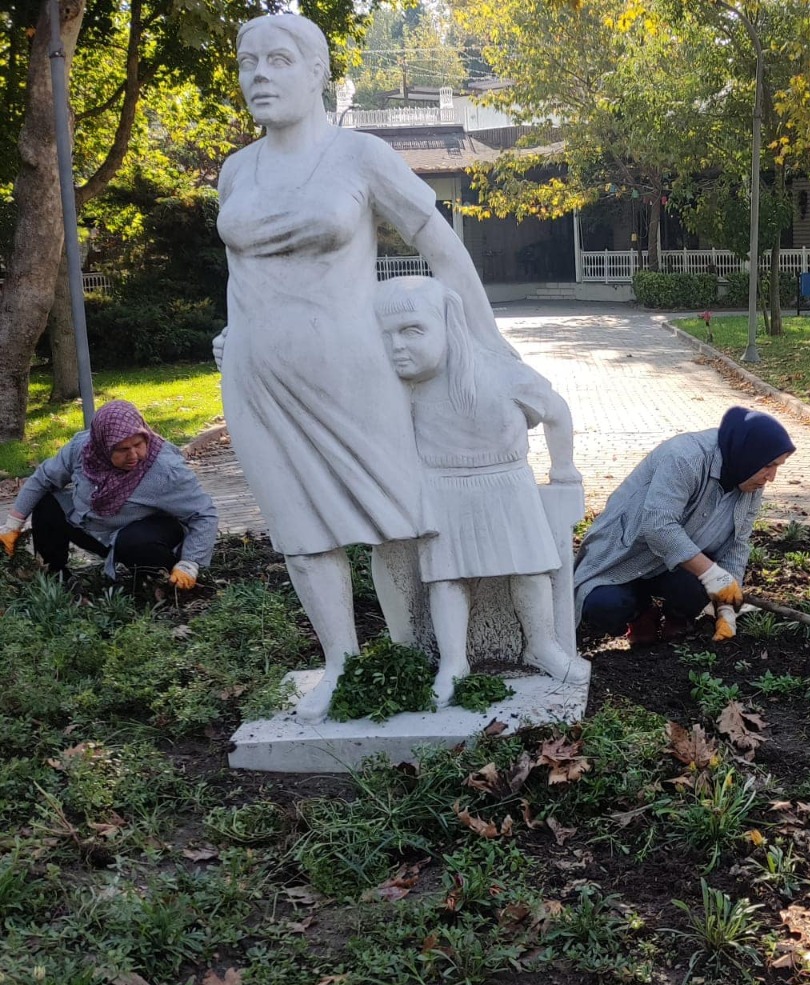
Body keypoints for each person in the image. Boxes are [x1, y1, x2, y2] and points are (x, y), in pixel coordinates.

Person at [215, 12, 513, 719]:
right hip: (257, 375)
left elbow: (440, 244)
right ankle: (342, 665)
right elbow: (236, 269)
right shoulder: (237, 171)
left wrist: (484, 342)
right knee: (298, 528)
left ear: (318, 73)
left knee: (404, 516)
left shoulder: (360, 156)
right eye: (248, 61)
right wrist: (233, 332)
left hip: (353, 370)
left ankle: (431, 653)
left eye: (279, 60)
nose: (259, 75)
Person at [375, 275, 588, 704]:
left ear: (449, 325)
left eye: (412, 330)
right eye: (386, 335)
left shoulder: (501, 373)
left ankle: (542, 644)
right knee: (447, 577)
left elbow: (557, 412)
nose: (396, 345)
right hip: (440, 488)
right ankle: (454, 661)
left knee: (530, 569)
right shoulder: (395, 389)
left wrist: (563, 470)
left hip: (508, 483)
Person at [574, 406, 794, 645]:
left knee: (696, 588)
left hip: (674, 567)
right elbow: (658, 526)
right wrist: (713, 576)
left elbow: (737, 544)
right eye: (769, 465)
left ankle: (677, 617)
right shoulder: (685, 458)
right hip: (625, 556)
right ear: (749, 455)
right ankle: (640, 614)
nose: (772, 477)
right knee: (603, 606)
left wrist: (727, 610)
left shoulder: (750, 481)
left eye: (777, 467)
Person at [0, 400, 217, 588]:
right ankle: (56, 576)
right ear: (102, 447)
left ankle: (157, 580)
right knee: (47, 502)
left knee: (133, 542)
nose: (133, 455)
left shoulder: (165, 470)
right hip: (95, 527)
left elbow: (204, 514)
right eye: (122, 449)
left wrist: (190, 563)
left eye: (138, 444)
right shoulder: (82, 450)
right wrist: (12, 524)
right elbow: (43, 478)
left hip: (147, 533)